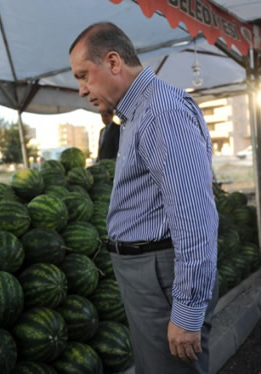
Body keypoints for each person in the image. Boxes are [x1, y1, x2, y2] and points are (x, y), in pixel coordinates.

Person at [69, 23, 218, 373]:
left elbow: (194, 218)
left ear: (113, 62)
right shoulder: (138, 113)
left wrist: (186, 313)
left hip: (160, 275)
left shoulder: (161, 114)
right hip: (151, 274)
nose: (80, 90)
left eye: (83, 76)